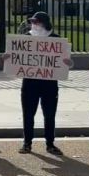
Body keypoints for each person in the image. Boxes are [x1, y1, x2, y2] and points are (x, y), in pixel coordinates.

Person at [19, 11, 71, 155]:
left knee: (49, 115)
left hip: (49, 85)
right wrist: (8, 58)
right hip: (30, 84)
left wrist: (68, 63)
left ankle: (50, 144)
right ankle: (27, 143)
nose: (33, 24)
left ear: (45, 23)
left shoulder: (55, 39)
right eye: (32, 22)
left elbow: (64, 61)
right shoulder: (26, 38)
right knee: (28, 114)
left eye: (37, 22)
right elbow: (17, 58)